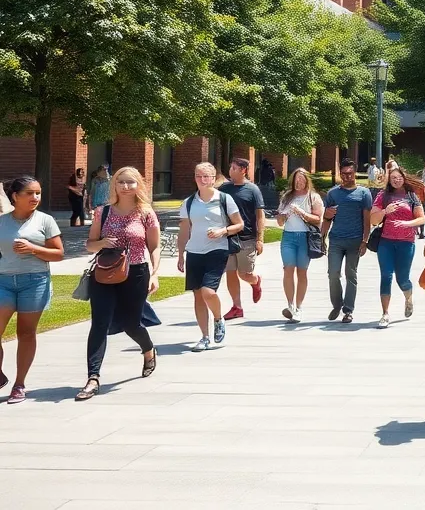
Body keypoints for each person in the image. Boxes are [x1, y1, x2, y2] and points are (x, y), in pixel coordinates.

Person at [76, 167, 161, 401]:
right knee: (99, 323)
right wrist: (101, 242)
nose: (125, 186)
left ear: (138, 185)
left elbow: (154, 247)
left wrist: (154, 274)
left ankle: (148, 349)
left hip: (135, 273)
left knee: (131, 324)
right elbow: (90, 244)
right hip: (105, 274)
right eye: (121, 182)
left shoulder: (146, 213)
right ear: (114, 185)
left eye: (130, 182)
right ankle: (93, 377)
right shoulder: (102, 212)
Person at [0, 177, 64, 403]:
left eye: (38, 193)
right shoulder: (2, 222)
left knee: (25, 333)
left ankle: (19, 384)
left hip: (34, 281)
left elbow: (58, 254)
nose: (35, 198)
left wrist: (32, 249)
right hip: (3, 281)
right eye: (29, 193)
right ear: (15, 196)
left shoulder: (45, 221)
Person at [177, 163, 244, 352]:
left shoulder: (224, 199)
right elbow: (184, 230)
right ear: (195, 177)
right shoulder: (189, 203)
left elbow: (239, 224)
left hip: (217, 250)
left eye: (207, 176)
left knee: (208, 292)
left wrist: (223, 230)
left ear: (214, 179)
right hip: (194, 252)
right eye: (199, 176)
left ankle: (218, 318)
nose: (203, 179)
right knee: (198, 295)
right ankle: (205, 337)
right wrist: (181, 254)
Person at [371, 168, 425, 327]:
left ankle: (408, 298)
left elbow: (421, 218)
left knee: (402, 279)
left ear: (404, 178)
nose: (396, 180)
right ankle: (385, 314)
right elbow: (373, 221)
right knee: (386, 276)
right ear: (389, 180)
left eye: (399, 177)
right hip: (386, 242)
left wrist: (407, 223)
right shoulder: (383, 196)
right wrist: (384, 211)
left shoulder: (411, 196)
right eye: (393, 178)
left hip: (406, 242)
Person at [321, 159, 373, 323]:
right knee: (333, 273)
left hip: (355, 240)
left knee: (351, 274)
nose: (347, 176)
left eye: (350, 173)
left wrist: (365, 241)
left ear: (354, 173)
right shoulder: (333, 193)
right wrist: (322, 237)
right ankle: (337, 304)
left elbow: (367, 220)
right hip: (336, 239)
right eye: (343, 174)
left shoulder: (364, 193)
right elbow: (328, 218)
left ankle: (348, 310)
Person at [218, 158, 264, 321]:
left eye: (234, 168)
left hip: (247, 238)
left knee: (244, 274)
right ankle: (236, 307)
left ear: (243, 170)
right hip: (229, 237)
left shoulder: (253, 190)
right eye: (230, 167)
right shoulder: (224, 189)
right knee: (230, 273)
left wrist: (260, 238)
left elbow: (260, 215)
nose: (230, 170)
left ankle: (255, 281)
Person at [276, 168, 323, 322]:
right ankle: (289, 305)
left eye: (302, 180)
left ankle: (299, 307)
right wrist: (283, 216)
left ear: (306, 181)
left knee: (302, 272)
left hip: (305, 237)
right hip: (288, 236)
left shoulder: (313, 197)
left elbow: (318, 219)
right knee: (288, 270)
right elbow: (279, 221)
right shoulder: (287, 197)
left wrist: (302, 213)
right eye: (296, 179)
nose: (298, 182)